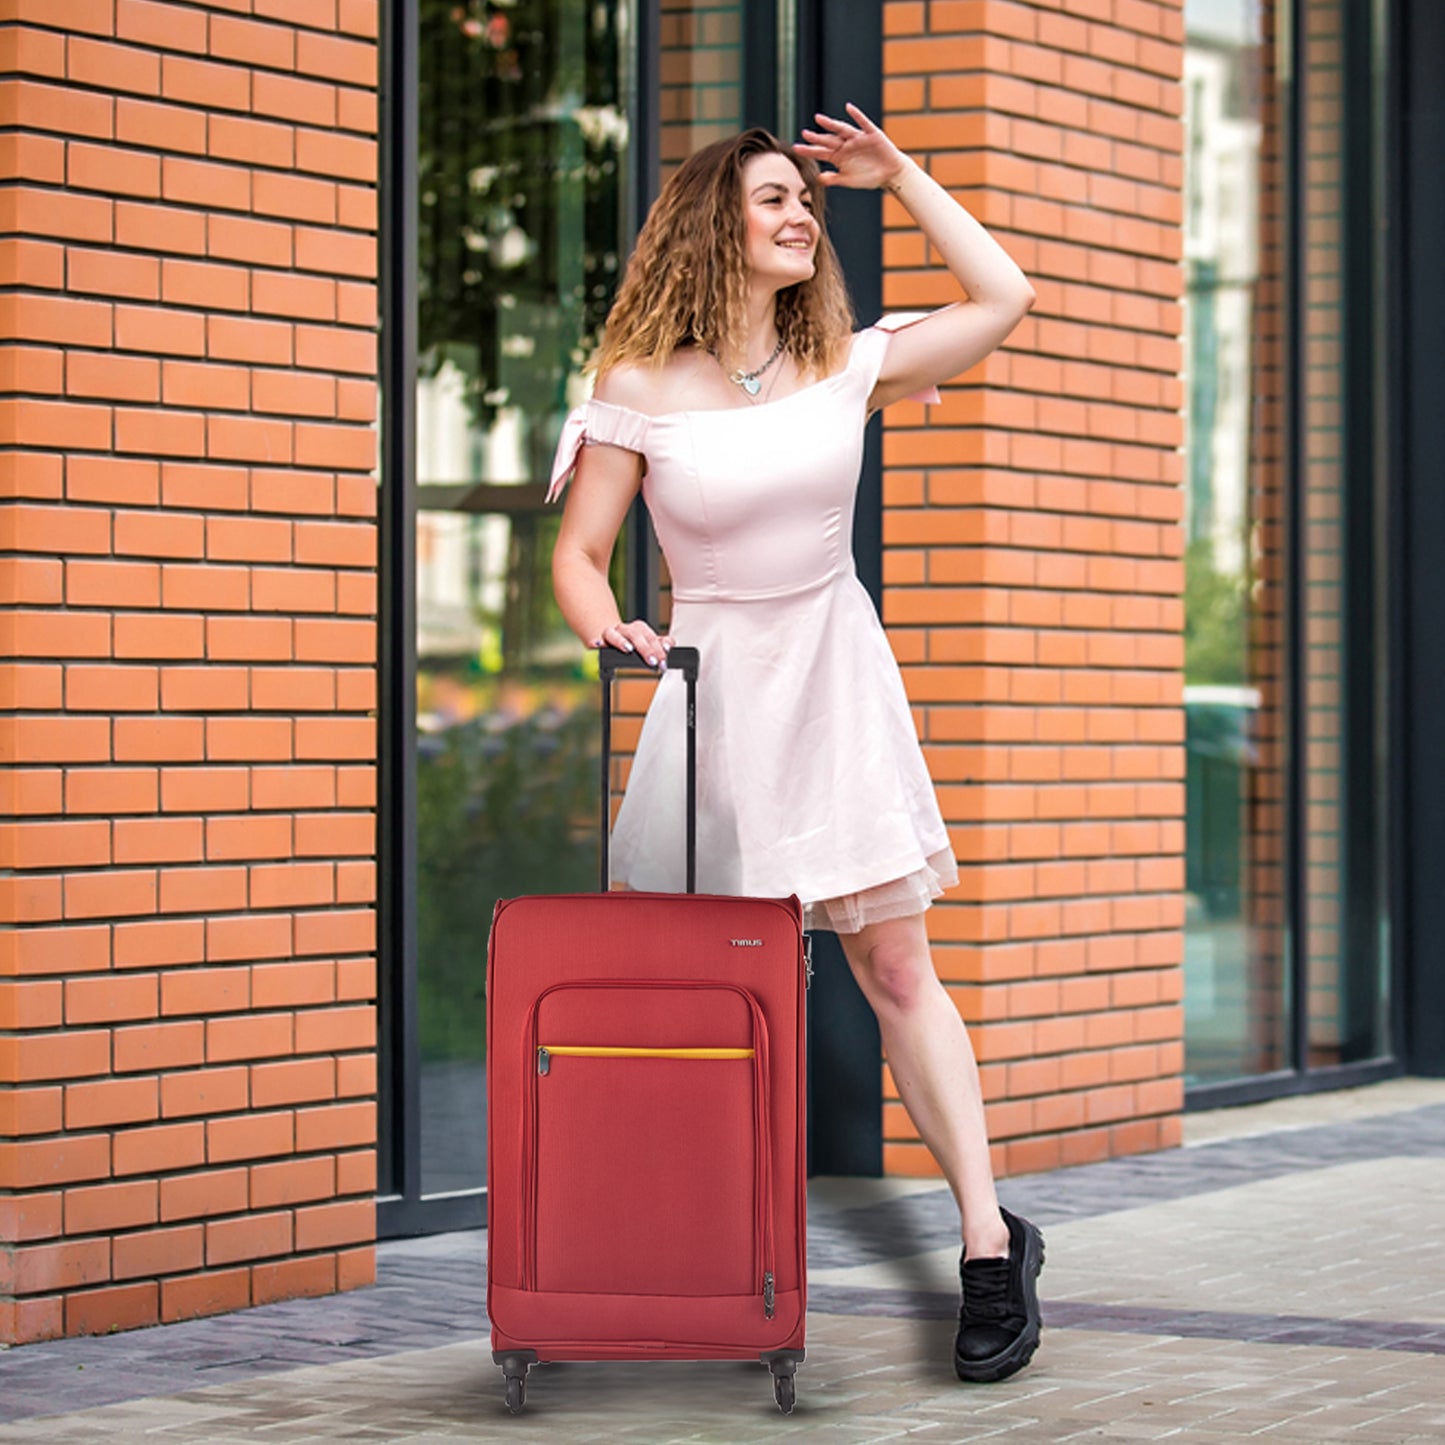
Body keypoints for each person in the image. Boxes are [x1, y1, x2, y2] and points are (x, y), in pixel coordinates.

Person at [548, 105, 1043, 1384]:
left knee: (891, 967)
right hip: (710, 693)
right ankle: (702, 1254)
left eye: (804, 197)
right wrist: (614, 631)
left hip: (831, 678)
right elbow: (577, 555)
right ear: (718, 223)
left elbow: (1003, 294)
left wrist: (903, 174)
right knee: (702, 991)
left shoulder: (849, 357)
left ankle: (988, 1244)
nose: (798, 214)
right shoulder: (637, 387)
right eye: (772, 197)